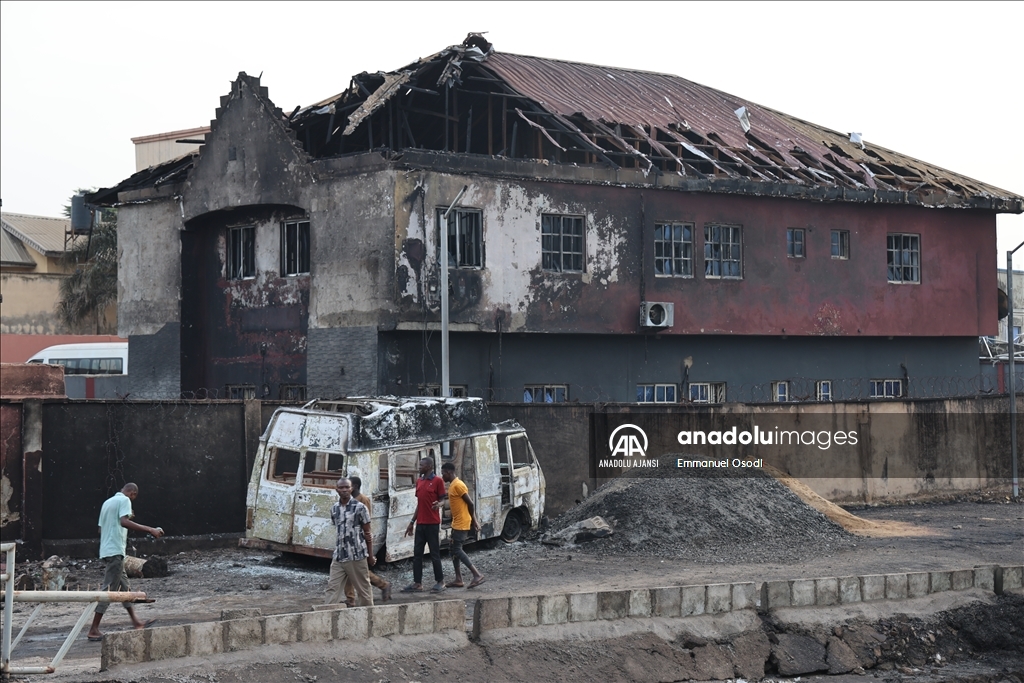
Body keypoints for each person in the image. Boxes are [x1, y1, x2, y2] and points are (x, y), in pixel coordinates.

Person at [86, 483, 163, 641]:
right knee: (108, 590)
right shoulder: (125, 501)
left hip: (107, 550)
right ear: (133, 494)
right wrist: (151, 529)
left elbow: (101, 529)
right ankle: (93, 629)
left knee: (125, 587)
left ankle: (136, 622)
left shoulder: (107, 503)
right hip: (115, 551)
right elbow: (123, 522)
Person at [325, 477, 376, 607]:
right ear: (337, 490)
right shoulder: (334, 509)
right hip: (339, 556)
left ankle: (368, 618)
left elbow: (368, 533)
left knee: (363, 590)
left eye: (347, 487)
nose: (344, 490)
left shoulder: (360, 508)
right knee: (332, 588)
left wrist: (370, 556)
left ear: (351, 489)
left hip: (357, 555)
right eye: (341, 488)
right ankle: (328, 616)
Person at [342, 476, 391, 603]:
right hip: (349, 540)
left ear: (355, 487)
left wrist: (367, 542)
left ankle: (383, 585)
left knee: (360, 570)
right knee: (348, 568)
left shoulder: (363, 500)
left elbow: (366, 522)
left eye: (349, 486)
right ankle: (350, 598)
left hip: (359, 540)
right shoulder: (349, 500)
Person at [401, 456, 446, 593]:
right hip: (420, 523)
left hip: (432, 524)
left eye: (422, 465)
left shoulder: (438, 481)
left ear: (429, 466)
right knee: (417, 554)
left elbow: (443, 500)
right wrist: (411, 522)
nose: (419, 467)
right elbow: (419, 505)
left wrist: (439, 504)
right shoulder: (419, 481)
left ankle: (440, 581)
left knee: (434, 554)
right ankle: (417, 583)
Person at [440, 462, 486, 588]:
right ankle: (458, 579)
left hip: (462, 523)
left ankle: (477, 575)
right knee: (452, 549)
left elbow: (470, 503)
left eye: (443, 473)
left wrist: (475, 520)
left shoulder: (458, 485)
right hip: (457, 522)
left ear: (449, 473)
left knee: (457, 549)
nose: (442, 476)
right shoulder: (453, 485)